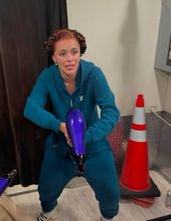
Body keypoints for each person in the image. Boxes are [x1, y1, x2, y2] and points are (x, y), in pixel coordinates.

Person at [24, 29, 120, 221]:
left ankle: (107, 218)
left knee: (111, 195)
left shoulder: (94, 74)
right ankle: (49, 214)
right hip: (61, 145)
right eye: (62, 54)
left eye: (74, 52)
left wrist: (88, 136)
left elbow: (111, 112)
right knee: (46, 190)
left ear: (80, 52)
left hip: (93, 144)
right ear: (54, 58)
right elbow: (31, 108)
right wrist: (59, 126)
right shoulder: (47, 76)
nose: (69, 59)